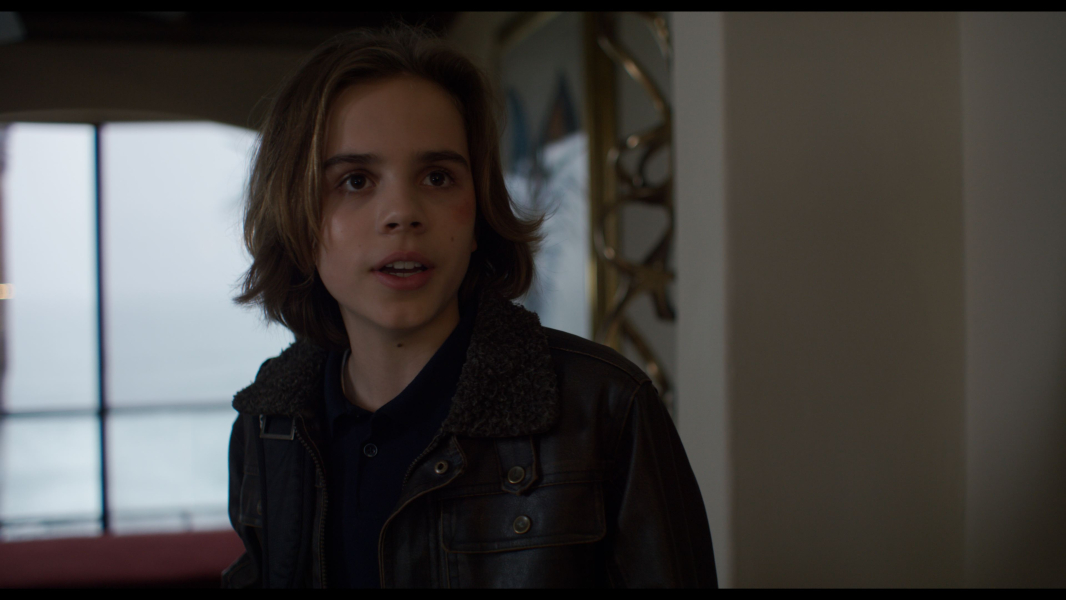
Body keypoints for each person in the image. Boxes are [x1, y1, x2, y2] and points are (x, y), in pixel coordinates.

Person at [222, 24, 717, 589]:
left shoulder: (607, 409)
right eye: (355, 181)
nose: (402, 213)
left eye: (438, 177)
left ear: (479, 212)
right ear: (298, 217)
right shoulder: (268, 426)